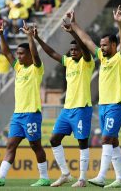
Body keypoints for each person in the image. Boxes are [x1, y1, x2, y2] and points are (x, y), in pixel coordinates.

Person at [69, 6, 121, 188]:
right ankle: (120, 179)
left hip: (115, 105)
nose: (101, 48)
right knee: (114, 141)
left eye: (104, 45)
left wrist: (120, 24)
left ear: (113, 45)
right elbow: (87, 40)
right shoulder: (102, 59)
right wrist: (74, 24)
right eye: (100, 45)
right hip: (103, 105)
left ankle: (102, 176)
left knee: (105, 139)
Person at [34, 19, 94, 187]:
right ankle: (66, 174)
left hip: (82, 109)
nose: (73, 52)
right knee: (54, 139)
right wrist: (37, 38)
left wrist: (72, 32)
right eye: (71, 50)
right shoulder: (68, 62)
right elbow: (52, 53)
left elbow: (85, 49)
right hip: (67, 110)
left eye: (76, 49)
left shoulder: (87, 62)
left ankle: (82, 178)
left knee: (82, 142)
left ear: (81, 51)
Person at [0, 20, 50, 187]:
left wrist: (30, 37)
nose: (18, 56)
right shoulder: (18, 68)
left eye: (21, 54)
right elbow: (6, 53)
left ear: (28, 54)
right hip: (18, 115)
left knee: (36, 146)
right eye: (18, 53)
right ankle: (1, 177)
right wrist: (1, 35)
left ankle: (44, 177)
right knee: (10, 145)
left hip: (32, 114)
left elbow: (36, 55)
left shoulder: (36, 68)